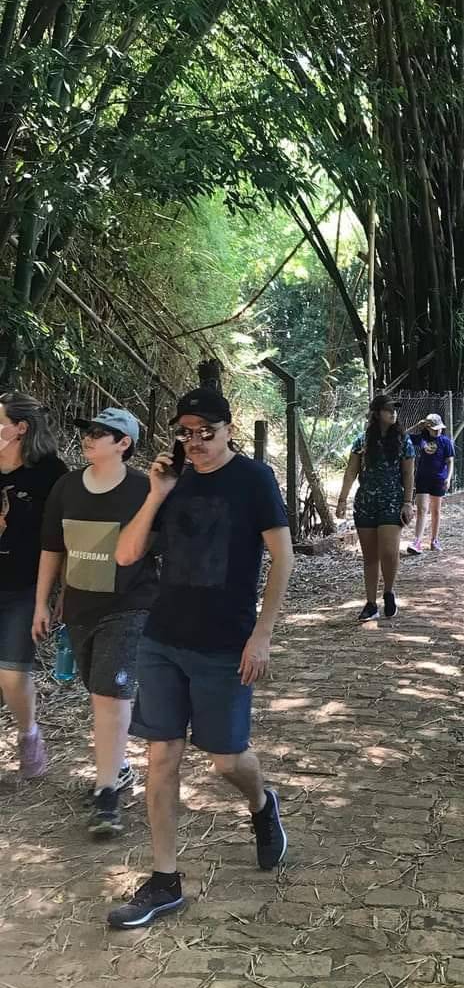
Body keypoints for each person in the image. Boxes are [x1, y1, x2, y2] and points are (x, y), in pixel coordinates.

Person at [105, 387, 293, 929]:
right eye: (186, 433)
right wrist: (156, 493)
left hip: (224, 642)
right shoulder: (171, 480)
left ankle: (262, 804)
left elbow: (281, 559)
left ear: (228, 429)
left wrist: (262, 634)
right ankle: (164, 881)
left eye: (205, 432)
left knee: (227, 760)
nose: (196, 443)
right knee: (161, 759)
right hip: (163, 638)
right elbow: (125, 554)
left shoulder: (254, 479)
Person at [34, 409, 156, 837]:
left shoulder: (144, 488)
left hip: (131, 605)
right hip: (80, 610)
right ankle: (118, 767)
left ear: (125, 444)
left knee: (110, 694)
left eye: (103, 433)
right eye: (88, 430)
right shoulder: (66, 487)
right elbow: (52, 549)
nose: (90, 437)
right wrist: (42, 605)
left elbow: (166, 546)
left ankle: (106, 797)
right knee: (97, 690)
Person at [0, 392, 66, 779]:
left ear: (20, 428)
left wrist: (61, 591)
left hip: (25, 587)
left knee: (11, 672)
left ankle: (29, 736)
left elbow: (60, 538)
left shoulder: (50, 473)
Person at [336, 395, 415, 622]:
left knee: (389, 552)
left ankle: (388, 591)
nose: (393, 413)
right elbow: (351, 471)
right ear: (377, 413)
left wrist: (408, 502)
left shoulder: (403, 441)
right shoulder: (362, 441)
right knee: (370, 556)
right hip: (366, 502)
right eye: (389, 410)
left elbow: (409, 473)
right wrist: (343, 499)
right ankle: (370, 603)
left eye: (395, 410)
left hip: (392, 501)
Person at [407, 413, 454, 555]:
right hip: (422, 478)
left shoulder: (445, 441)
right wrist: (417, 426)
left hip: (439, 479)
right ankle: (417, 541)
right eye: (434, 428)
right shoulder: (421, 438)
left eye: (439, 428)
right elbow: (402, 436)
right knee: (421, 509)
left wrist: (449, 478)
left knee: (436, 511)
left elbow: (450, 461)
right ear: (427, 427)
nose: (437, 431)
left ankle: (434, 540)